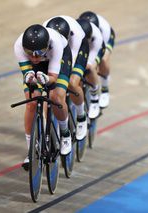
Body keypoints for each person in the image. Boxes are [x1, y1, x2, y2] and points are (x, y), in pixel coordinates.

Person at [14, 24, 72, 170]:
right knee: (31, 102)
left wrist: (47, 80)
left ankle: (65, 133)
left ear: (46, 46)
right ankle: (31, 150)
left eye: (38, 52)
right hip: (39, 68)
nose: (34, 57)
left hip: (59, 60)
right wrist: (30, 77)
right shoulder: (18, 46)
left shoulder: (56, 44)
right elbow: (27, 72)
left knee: (56, 97)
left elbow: (52, 77)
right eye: (30, 53)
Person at [43, 15, 88, 139]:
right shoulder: (45, 33)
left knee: (72, 82)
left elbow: (69, 65)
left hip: (75, 50)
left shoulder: (76, 36)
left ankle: (81, 116)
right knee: (48, 93)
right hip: (53, 50)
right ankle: (50, 128)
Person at [79, 11, 116, 109]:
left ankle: (105, 88)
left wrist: (93, 64)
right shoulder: (81, 27)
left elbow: (99, 49)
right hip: (87, 39)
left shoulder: (104, 29)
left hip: (105, 39)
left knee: (103, 59)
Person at [76, 18, 104, 119]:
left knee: (89, 68)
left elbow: (88, 63)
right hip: (79, 47)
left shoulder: (97, 38)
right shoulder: (74, 34)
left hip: (95, 49)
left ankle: (94, 96)